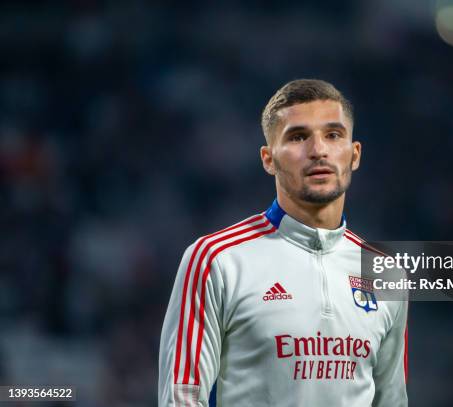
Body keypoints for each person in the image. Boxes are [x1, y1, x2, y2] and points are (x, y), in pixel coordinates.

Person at [158, 79, 408, 406]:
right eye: (298, 136)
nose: (318, 150)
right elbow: (182, 396)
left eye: (333, 135)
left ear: (354, 154)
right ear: (268, 159)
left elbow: (392, 401)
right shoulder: (215, 260)